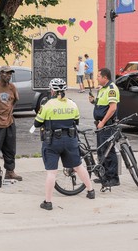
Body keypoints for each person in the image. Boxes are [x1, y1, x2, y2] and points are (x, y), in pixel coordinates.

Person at [34, 78, 95, 210]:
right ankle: (90, 191)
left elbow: (37, 123)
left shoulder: (47, 105)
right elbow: (76, 121)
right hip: (70, 140)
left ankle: (48, 202)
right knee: (78, 166)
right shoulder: (72, 104)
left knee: (52, 172)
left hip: (52, 142)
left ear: (52, 91)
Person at [88, 68, 120, 190]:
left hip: (106, 125)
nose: (97, 78)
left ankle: (113, 178)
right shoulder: (103, 89)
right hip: (100, 125)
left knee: (109, 151)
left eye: (99, 76)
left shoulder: (112, 89)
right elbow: (102, 104)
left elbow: (112, 108)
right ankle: (104, 176)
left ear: (105, 77)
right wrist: (93, 101)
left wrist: (103, 122)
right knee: (101, 151)